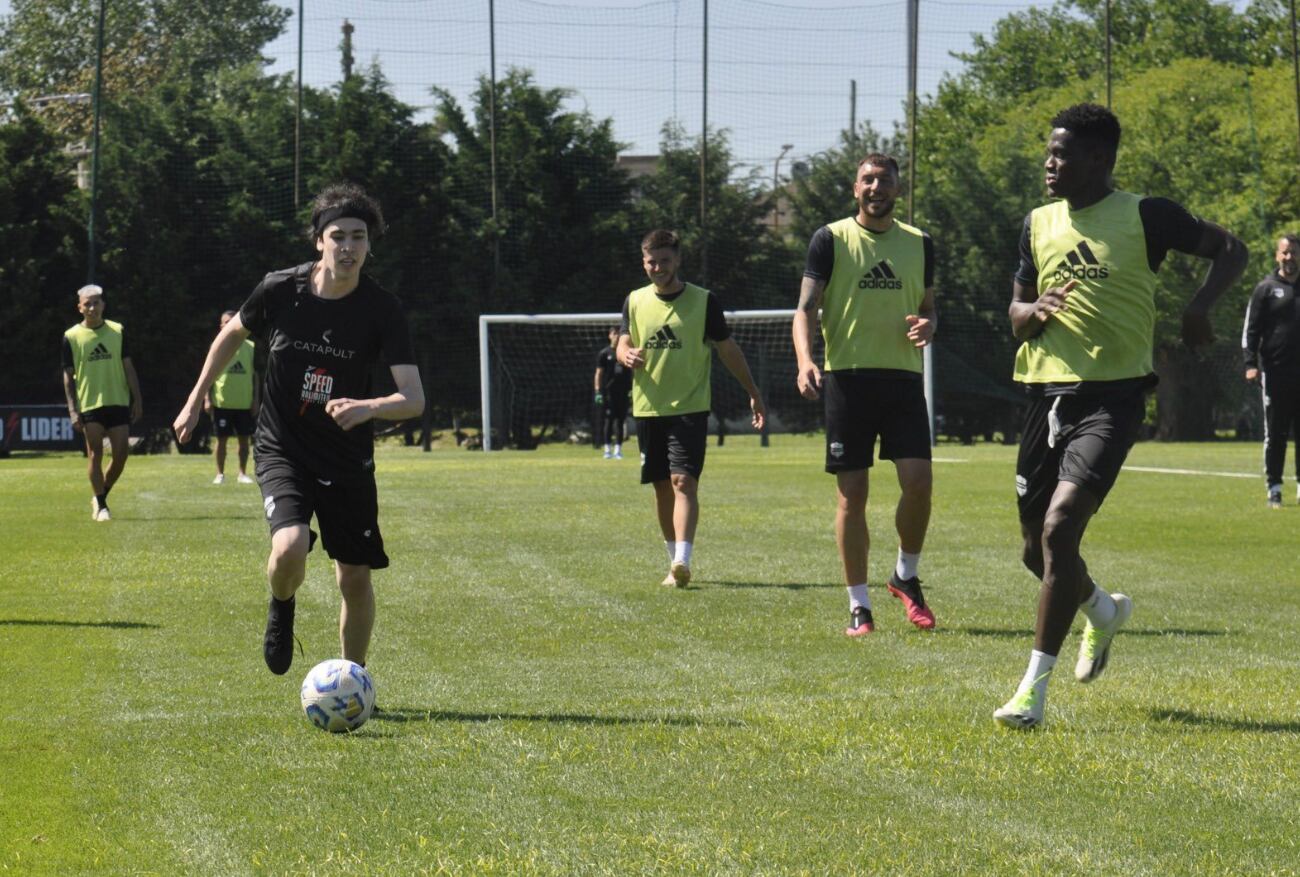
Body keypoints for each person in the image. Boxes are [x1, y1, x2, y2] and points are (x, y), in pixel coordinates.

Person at [995, 103, 1247, 729]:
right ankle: (1103, 613)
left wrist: (1200, 308)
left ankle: (1032, 692)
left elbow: (1232, 250)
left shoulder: (1146, 215)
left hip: (1113, 398)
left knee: (1059, 530)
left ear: (1101, 160)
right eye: (1049, 152)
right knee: (1036, 552)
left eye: (1064, 154)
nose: (1050, 163)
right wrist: (1036, 313)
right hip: (1043, 397)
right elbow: (1016, 314)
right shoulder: (1037, 222)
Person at [173, 183, 424, 676]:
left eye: (359, 237)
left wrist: (369, 406)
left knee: (353, 576)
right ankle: (282, 607)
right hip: (283, 446)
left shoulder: (382, 310)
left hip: (347, 458)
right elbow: (232, 334)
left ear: (369, 245)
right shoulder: (280, 290)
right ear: (318, 241)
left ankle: (353, 680)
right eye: (338, 236)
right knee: (288, 546)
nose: (348, 247)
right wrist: (194, 398)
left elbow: (413, 399)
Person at [793, 152, 938, 637]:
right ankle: (859, 605)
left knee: (918, 483)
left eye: (886, 181)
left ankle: (906, 575)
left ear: (898, 189)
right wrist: (806, 360)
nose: (877, 187)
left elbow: (928, 308)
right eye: (868, 180)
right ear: (855, 188)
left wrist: (928, 324)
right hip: (847, 380)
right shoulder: (830, 239)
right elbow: (805, 310)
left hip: (901, 379)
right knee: (853, 494)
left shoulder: (921, 243)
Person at [617, 228, 766, 587]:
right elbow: (623, 339)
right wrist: (626, 353)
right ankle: (673, 563)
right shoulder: (635, 300)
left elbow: (727, 349)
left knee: (683, 481)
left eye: (665, 261)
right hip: (648, 409)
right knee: (662, 487)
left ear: (678, 260)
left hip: (690, 407)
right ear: (644, 262)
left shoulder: (703, 301)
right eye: (651, 261)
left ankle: (683, 559)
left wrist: (753, 392)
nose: (658, 268)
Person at [62, 284, 144, 522]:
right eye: (87, 303)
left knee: (120, 456)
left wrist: (136, 398)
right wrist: (72, 409)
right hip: (89, 404)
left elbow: (128, 367)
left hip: (117, 401)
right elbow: (68, 376)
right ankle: (101, 504)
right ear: (79, 307)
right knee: (95, 454)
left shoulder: (117, 331)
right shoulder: (71, 336)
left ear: (103, 305)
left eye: (96, 302)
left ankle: (100, 496)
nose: (92, 307)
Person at [1242, 234, 1300, 508]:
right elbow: (1250, 330)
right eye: (1285, 253)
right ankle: (1274, 487)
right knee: (1275, 434)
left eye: (1294, 253)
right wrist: (1250, 364)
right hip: (1276, 374)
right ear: (1278, 255)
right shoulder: (1265, 289)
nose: (1290, 258)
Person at [206, 310, 258, 484]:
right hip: (222, 402)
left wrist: (255, 399)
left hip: (244, 403)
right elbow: (207, 374)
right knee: (221, 440)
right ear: (221, 325)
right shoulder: (217, 346)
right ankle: (220, 474)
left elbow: (254, 375)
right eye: (225, 322)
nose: (228, 324)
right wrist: (207, 398)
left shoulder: (250, 347)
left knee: (244, 441)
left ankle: (242, 474)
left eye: (231, 321)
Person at [594, 325, 632, 459]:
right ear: (609, 335)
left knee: (620, 421)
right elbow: (598, 373)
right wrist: (598, 391)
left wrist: (632, 390)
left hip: (623, 393)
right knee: (609, 421)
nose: (617, 336)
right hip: (608, 393)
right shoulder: (605, 353)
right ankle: (607, 449)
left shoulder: (625, 353)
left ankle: (618, 450)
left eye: (619, 334)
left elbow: (631, 373)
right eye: (614, 333)